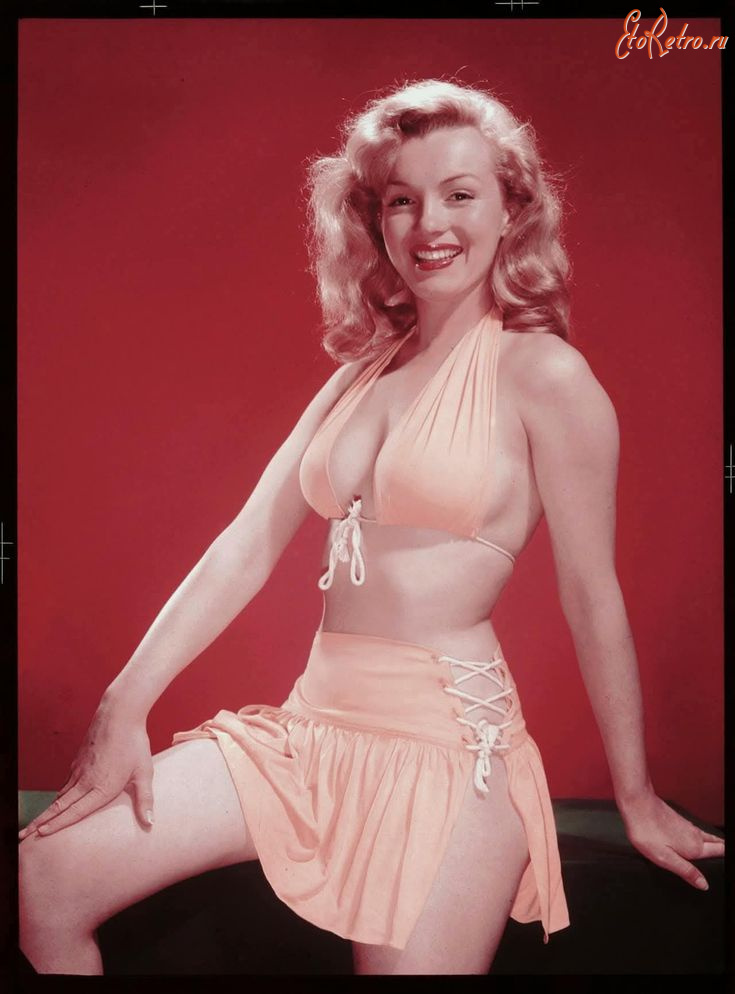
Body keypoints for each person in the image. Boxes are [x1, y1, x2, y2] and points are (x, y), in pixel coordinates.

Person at [18, 78, 724, 976]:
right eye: (401, 200)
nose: (430, 224)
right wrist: (124, 704)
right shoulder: (360, 373)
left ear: (511, 209)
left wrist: (636, 795)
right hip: (307, 731)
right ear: (376, 221)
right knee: (44, 878)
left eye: (459, 194)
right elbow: (246, 544)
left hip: (450, 757)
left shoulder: (546, 377)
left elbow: (592, 597)